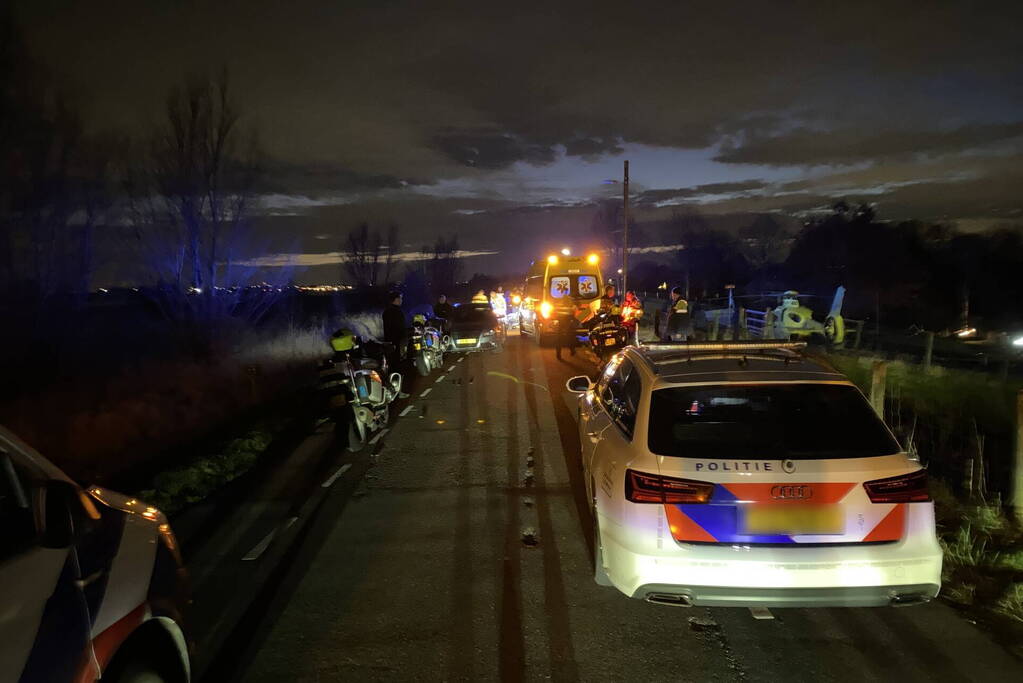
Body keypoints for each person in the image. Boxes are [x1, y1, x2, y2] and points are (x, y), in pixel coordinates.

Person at [382, 290, 410, 397]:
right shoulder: (397, 312)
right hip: (397, 343)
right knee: (399, 367)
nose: (401, 300)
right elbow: (400, 329)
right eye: (400, 298)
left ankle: (391, 391)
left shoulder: (386, 311)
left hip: (389, 343)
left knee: (391, 368)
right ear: (397, 299)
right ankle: (399, 391)